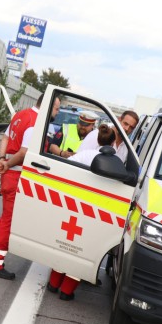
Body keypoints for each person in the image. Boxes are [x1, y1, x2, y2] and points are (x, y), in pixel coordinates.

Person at [0, 94, 61, 280]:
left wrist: (3, 159)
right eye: (57, 108)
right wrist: (8, 164)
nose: (58, 112)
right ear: (48, 106)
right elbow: (24, 152)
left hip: (10, 173)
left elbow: (5, 138)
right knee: (8, 220)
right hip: (17, 175)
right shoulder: (36, 123)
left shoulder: (21, 115)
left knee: (6, 218)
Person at [47, 124, 116, 300]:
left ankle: (53, 284)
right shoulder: (113, 164)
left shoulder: (85, 155)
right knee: (82, 251)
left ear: (98, 139)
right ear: (113, 143)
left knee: (64, 245)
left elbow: (66, 170)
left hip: (73, 206)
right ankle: (67, 292)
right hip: (93, 213)